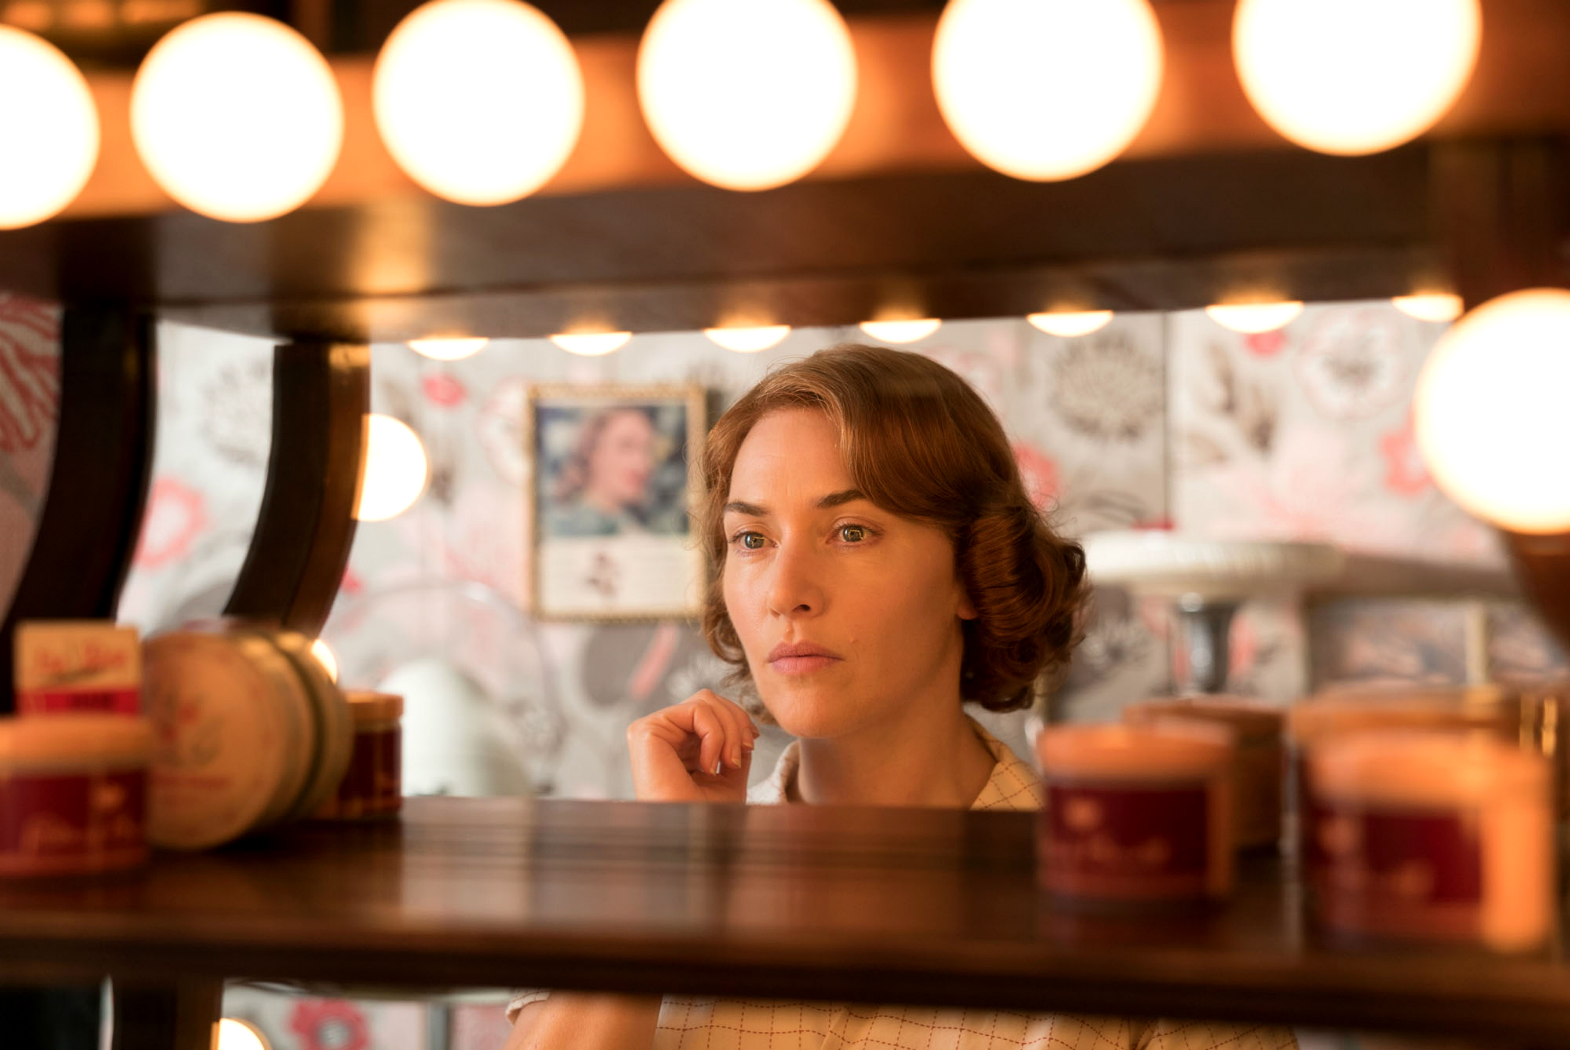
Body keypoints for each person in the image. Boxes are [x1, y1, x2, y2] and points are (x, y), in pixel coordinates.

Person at [507, 344, 1296, 1050]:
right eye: (751, 539)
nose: (783, 591)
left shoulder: (1147, 912)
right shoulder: (630, 883)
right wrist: (661, 883)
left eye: (851, 531)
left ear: (971, 573)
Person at [546, 406, 683, 537]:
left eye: (648, 450)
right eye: (626, 446)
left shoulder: (640, 532)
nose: (642, 463)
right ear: (591, 452)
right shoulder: (555, 528)